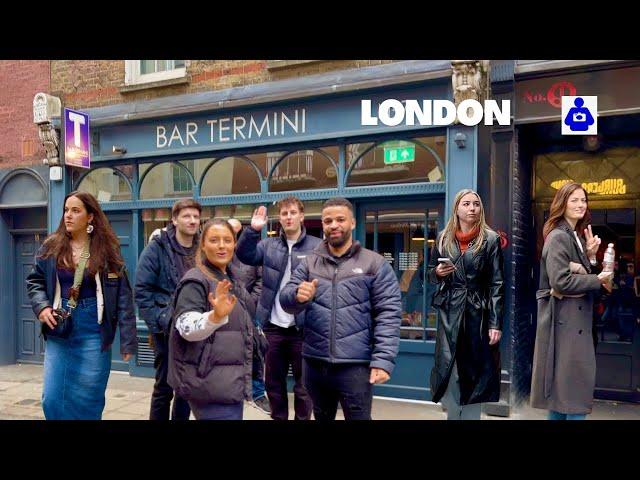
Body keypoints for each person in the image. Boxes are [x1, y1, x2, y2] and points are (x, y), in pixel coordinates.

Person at [280, 197, 402, 421]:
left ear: (353, 223)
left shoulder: (374, 264)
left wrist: (383, 360)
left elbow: (389, 313)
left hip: (355, 366)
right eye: (328, 221)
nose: (333, 225)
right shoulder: (308, 263)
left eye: (340, 219)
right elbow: (285, 300)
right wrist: (297, 296)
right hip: (315, 364)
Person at [26, 191, 137, 419]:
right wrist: (42, 307)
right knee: (52, 397)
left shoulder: (107, 251)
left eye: (76, 211)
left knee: (89, 398)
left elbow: (124, 297)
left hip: (93, 330)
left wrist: (128, 341)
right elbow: (34, 280)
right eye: (66, 210)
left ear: (90, 217)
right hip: (60, 327)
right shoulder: (51, 246)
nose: (68, 215)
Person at [530, 182, 612, 420]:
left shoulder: (573, 235)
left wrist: (589, 257)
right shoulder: (558, 236)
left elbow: (573, 275)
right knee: (573, 396)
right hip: (564, 324)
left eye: (583, 200)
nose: (580, 204)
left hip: (571, 323)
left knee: (562, 397)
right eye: (573, 199)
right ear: (562, 203)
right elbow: (560, 282)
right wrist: (597, 279)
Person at [236, 196, 320, 420]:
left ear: (301, 216)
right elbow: (244, 255)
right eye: (284, 214)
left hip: (303, 330)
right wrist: (253, 231)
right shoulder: (268, 245)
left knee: (304, 388)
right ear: (280, 219)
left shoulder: (316, 247)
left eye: (293, 213)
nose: (289, 217)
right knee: (274, 385)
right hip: (273, 327)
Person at [426, 189, 504, 420]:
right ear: (457, 209)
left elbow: (497, 282)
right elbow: (428, 274)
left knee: (474, 373)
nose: (472, 208)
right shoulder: (442, 237)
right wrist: (438, 272)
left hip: (476, 314)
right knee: (449, 370)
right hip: (449, 311)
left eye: (476, 204)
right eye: (467, 204)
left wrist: (495, 322)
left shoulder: (490, 239)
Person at [167, 219, 256, 420]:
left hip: (229, 382)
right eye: (214, 240)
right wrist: (215, 317)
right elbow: (185, 326)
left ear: (235, 244)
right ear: (203, 245)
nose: (222, 245)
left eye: (227, 240)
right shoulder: (196, 279)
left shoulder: (233, 278)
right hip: (209, 384)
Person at [135, 199, 201, 420]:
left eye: (195, 216)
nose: (192, 221)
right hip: (166, 329)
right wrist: (161, 321)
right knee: (164, 386)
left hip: (194, 329)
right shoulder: (158, 247)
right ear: (174, 219)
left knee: (186, 387)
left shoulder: (202, 247)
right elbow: (142, 290)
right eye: (186, 216)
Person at [227, 218, 270, 415]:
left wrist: (250, 302)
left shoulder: (249, 254)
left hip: (251, 312)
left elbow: (261, 280)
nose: (233, 236)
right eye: (231, 231)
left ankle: (258, 392)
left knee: (255, 352)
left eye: (237, 232)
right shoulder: (220, 252)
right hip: (225, 313)